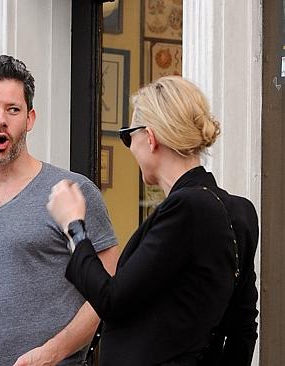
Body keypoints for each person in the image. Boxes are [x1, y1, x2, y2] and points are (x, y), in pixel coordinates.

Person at [47, 76, 259, 366]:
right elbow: (243, 325)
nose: (129, 147)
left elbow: (112, 300)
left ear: (150, 136)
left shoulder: (188, 208)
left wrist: (74, 227)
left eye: (127, 136)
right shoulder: (239, 211)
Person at [0, 55, 119, 366]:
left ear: (30, 118)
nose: (1, 119)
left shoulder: (72, 192)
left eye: (12, 109)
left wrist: (52, 353)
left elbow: (105, 293)